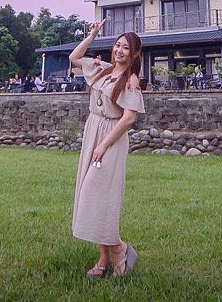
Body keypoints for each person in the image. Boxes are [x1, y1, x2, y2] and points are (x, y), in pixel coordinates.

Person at [68, 18, 145, 279]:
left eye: (125, 48)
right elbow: (74, 57)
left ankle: (120, 250)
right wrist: (92, 36)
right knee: (92, 197)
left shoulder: (130, 80)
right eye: (117, 45)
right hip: (94, 129)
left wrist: (103, 144)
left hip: (109, 138)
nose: (119, 51)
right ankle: (104, 258)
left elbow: (129, 118)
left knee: (98, 195)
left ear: (134, 54)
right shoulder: (102, 69)